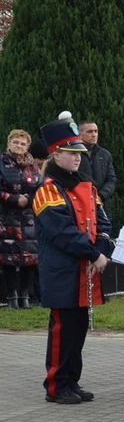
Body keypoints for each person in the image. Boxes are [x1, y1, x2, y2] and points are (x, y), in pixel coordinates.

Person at [34, 112, 114, 405]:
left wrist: (103, 249)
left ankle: (72, 380)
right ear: (56, 155)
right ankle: (56, 385)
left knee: (78, 328)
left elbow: (103, 222)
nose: (78, 158)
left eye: (79, 153)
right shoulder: (47, 190)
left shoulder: (88, 187)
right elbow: (62, 231)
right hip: (63, 270)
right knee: (62, 329)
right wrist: (93, 253)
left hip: (87, 268)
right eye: (71, 153)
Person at [0, 129, 41, 308]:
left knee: (30, 258)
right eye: (16, 142)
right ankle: (11, 298)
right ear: (9, 143)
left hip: (29, 218)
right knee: (8, 258)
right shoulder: (1, 163)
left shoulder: (33, 166)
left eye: (23, 144)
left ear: (28, 147)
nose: (19, 146)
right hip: (6, 217)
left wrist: (29, 200)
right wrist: (16, 200)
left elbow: (40, 188)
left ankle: (25, 297)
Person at [78, 121, 117, 210]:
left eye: (96, 131)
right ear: (80, 134)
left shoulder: (105, 154)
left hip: (103, 205)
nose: (94, 134)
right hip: (81, 205)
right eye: (90, 131)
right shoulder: (75, 154)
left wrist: (101, 196)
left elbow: (111, 180)